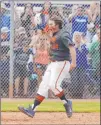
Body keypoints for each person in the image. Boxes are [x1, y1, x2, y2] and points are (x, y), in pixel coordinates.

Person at [18, 17, 76, 118]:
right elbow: (54, 42)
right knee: (43, 86)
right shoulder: (54, 34)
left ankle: (67, 103)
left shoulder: (64, 34)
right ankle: (32, 109)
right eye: (49, 24)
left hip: (62, 63)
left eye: (51, 24)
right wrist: (47, 35)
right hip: (53, 63)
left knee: (53, 85)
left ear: (57, 25)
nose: (49, 26)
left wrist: (74, 62)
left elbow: (71, 47)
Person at [69, 32, 89, 98]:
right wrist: (76, 47)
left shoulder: (83, 45)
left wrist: (81, 44)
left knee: (81, 80)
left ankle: (80, 94)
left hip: (82, 65)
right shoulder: (71, 45)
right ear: (74, 37)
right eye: (76, 36)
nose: (77, 38)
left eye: (79, 36)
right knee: (74, 80)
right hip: (74, 65)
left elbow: (87, 51)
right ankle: (74, 94)